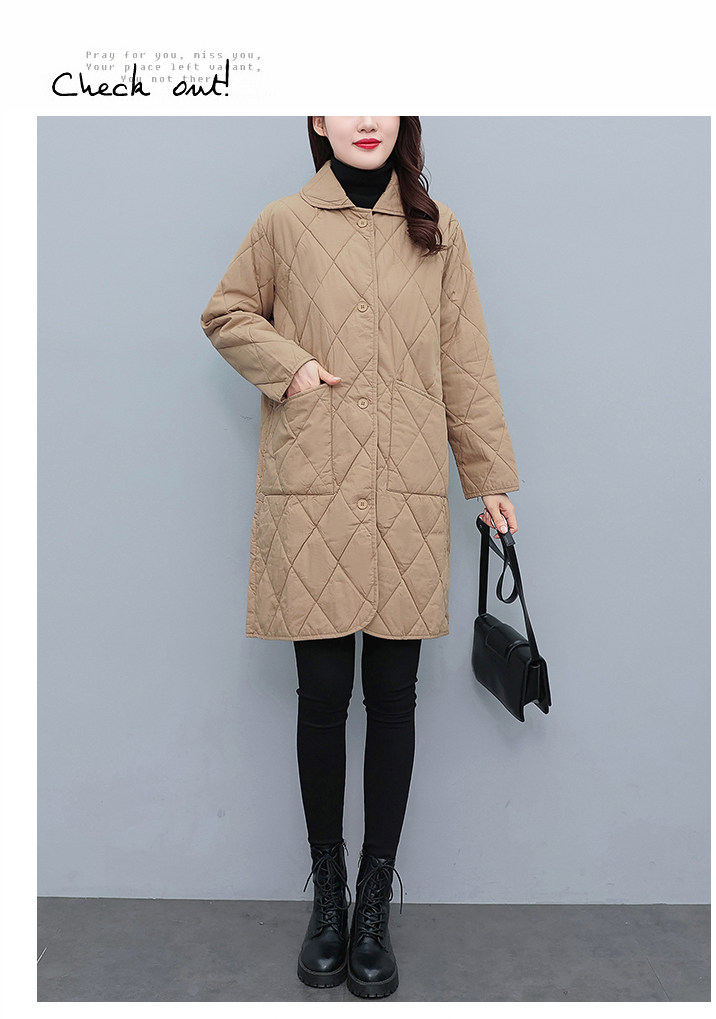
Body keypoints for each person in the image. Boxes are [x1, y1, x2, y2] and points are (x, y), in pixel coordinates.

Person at [200, 116, 520, 999]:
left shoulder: (438, 230)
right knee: (322, 697)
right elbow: (226, 311)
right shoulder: (284, 222)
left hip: (406, 490)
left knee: (393, 697)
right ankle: (329, 898)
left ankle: (375, 901)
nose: (367, 118)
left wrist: (488, 476)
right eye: (346, 99)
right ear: (317, 119)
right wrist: (293, 366)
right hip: (316, 489)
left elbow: (464, 359)